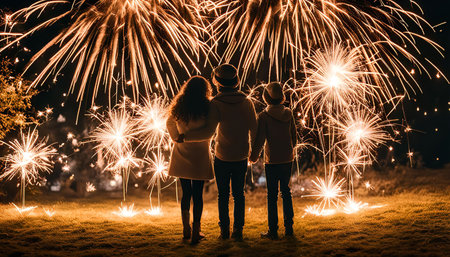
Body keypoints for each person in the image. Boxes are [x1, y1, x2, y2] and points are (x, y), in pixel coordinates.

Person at [179, 64, 257, 241]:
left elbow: (208, 132)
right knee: (239, 194)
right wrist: (256, 152)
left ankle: (224, 231)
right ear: (236, 81)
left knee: (223, 195)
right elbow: (255, 129)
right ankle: (238, 229)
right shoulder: (246, 102)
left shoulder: (216, 103)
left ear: (217, 82)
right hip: (242, 156)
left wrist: (185, 137)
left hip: (222, 155)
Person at [166, 76, 215, 244]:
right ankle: (196, 230)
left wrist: (178, 138)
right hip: (199, 154)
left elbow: (169, 124)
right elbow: (209, 131)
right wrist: (186, 138)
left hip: (181, 152)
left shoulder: (179, 103)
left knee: (186, 193)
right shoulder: (207, 105)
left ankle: (186, 228)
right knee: (198, 194)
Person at [249, 82, 297, 239]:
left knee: (272, 195)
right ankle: (289, 228)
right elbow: (294, 137)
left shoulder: (264, 116)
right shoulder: (288, 113)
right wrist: (290, 151)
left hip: (272, 160)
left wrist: (253, 156)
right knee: (286, 192)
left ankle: (273, 230)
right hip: (287, 159)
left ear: (266, 98)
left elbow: (260, 139)